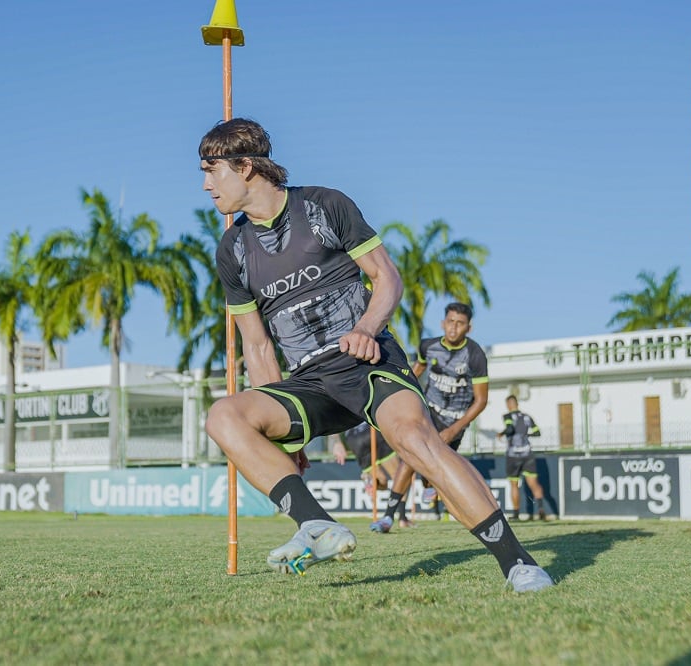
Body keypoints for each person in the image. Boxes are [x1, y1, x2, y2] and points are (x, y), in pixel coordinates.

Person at [199, 117, 552, 592]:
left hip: (365, 362)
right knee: (223, 415)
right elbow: (259, 346)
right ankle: (317, 525)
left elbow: (387, 277)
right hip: (306, 383)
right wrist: (292, 442)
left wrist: (367, 328)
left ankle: (518, 563)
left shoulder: (325, 206)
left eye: (211, 170)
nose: (206, 185)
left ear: (244, 167)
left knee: (414, 439)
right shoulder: (232, 249)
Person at [369, 302, 490, 530]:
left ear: (469, 328)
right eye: (451, 322)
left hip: (454, 421)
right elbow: (416, 372)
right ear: (443, 323)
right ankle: (388, 517)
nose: (454, 328)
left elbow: (481, 401)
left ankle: (432, 488)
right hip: (428, 412)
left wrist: (454, 429)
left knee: (436, 467)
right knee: (409, 457)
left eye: (460, 324)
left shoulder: (475, 355)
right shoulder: (428, 346)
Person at [329, 422, 413, 528]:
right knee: (399, 477)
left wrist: (337, 443)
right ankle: (402, 518)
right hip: (371, 429)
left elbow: (333, 418)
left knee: (383, 482)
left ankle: (369, 479)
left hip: (353, 438)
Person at [499, 395, 551, 521]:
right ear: (517, 404)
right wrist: (525, 434)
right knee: (533, 483)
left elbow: (510, 429)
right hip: (528, 454)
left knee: (514, 484)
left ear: (509, 404)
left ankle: (516, 514)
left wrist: (501, 434)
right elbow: (537, 432)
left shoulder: (508, 416)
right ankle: (541, 510)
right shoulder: (527, 417)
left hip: (513, 455)